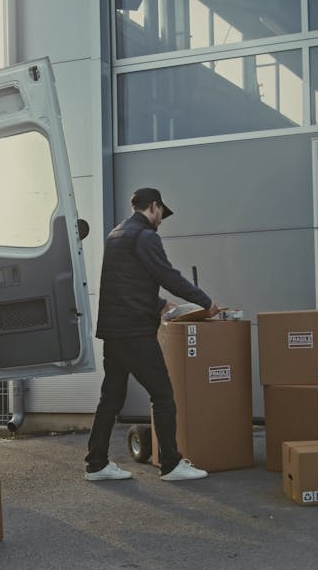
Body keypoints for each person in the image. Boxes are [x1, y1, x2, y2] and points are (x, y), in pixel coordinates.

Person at [84, 186, 219, 482]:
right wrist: (206, 302)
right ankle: (171, 465)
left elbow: (122, 281)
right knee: (163, 395)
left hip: (114, 330)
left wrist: (158, 303)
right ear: (154, 207)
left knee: (111, 398)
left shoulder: (117, 234)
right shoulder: (146, 236)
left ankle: (96, 464)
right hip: (134, 330)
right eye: (161, 214)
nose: (161, 220)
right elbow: (167, 275)